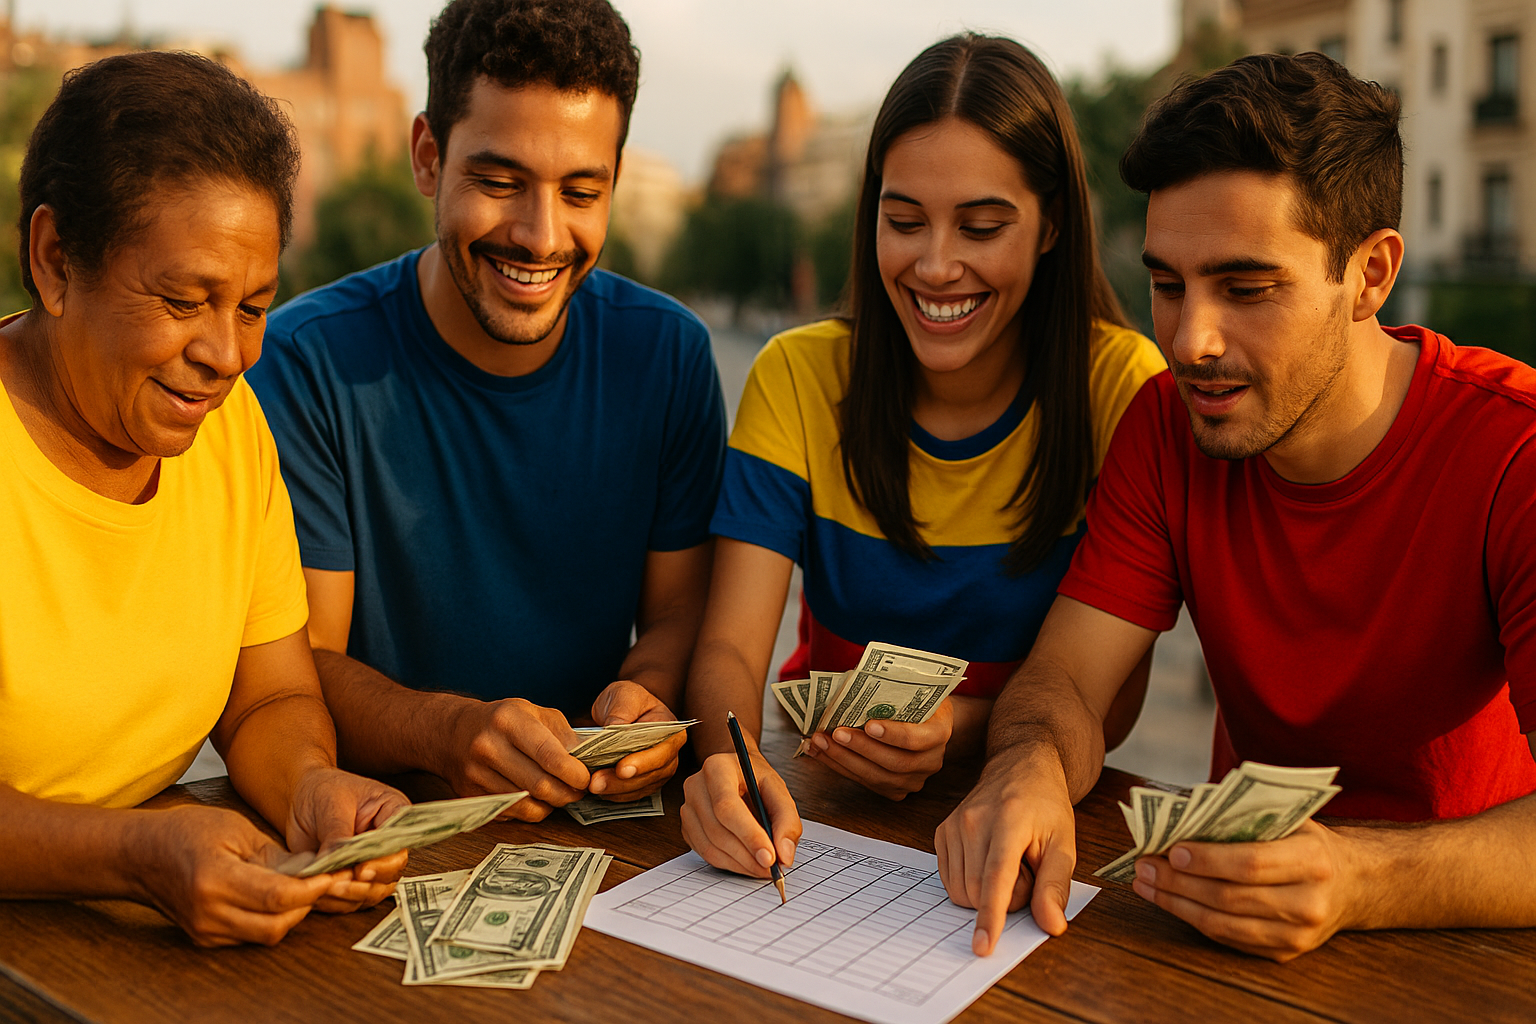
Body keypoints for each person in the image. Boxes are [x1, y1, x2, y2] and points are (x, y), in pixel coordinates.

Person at [937, 51, 1536, 963]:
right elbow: (1065, 680)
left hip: (1465, 946)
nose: (1187, 340)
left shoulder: (1515, 451)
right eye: (1168, 285)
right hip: (1218, 940)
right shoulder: (1165, 424)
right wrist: (1030, 765)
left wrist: (1360, 879)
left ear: (1370, 274)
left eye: (1246, 289)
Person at [679, 34, 1167, 880]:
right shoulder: (795, 376)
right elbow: (729, 648)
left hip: (1042, 805)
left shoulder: (1123, 388)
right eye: (904, 222)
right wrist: (733, 758)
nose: (936, 266)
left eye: (981, 227)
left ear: (1052, 224)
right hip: (816, 799)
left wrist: (962, 729)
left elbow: (1113, 702)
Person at [246, 0, 726, 822]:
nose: (542, 237)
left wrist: (642, 701)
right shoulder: (305, 362)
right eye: (500, 183)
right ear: (429, 159)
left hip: (593, 826)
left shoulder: (671, 355)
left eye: (582, 191)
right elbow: (300, 661)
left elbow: (679, 611)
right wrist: (446, 731)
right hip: (382, 816)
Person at [0, 52, 410, 947]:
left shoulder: (230, 433)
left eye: (254, 307)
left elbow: (268, 699)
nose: (227, 356)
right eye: (184, 301)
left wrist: (310, 787)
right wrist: (135, 853)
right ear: (56, 261)